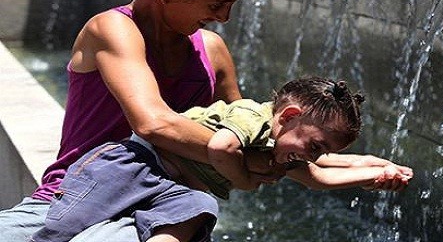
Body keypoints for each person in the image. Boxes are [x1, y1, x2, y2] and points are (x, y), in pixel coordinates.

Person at [0, 0, 253, 241]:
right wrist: (237, 155)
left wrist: (311, 158)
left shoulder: (213, 51)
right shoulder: (112, 28)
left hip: (165, 208)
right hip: (75, 197)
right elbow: (153, 124)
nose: (224, 18)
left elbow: (249, 126)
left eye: (231, 5)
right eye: (216, 5)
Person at [31, 77, 413, 242]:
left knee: (196, 210)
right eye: (315, 146)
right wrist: (244, 180)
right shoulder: (250, 115)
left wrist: (378, 170)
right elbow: (220, 148)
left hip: (176, 189)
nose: (313, 156)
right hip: (133, 166)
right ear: (290, 117)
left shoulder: (286, 145)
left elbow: (322, 176)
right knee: (66, 226)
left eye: (322, 151)